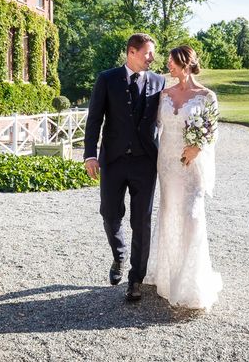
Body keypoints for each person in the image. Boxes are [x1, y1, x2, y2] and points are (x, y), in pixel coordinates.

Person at [84, 33, 166, 302]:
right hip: (113, 160)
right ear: (132, 52)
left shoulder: (158, 81)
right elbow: (94, 119)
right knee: (110, 213)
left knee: (141, 220)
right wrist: (89, 155)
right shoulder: (107, 79)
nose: (152, 58)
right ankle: (119, 255)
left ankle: (136, 279)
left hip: (145, 162)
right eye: (148, 53)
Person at [144, 45, 222, 310]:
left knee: (191, 216)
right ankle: (168, 277)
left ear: (186, 63)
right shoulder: (163, 94)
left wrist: (197, 147)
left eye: (172, 61)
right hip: (166, 164)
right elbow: (153, 126)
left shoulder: (206, 96)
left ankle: (191, 280)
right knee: (169, 214)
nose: (168, 65)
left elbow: (211, 131)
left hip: (190, 166)